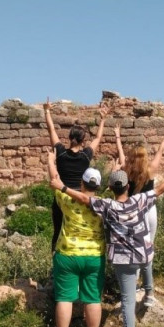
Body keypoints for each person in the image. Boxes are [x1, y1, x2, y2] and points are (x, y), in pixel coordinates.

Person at [50, 161, 164, 327]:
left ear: (110, 188)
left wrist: (62, 187)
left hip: (123, 260)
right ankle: (149, 293)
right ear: (128, 187)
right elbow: (159, 190)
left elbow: (82, 197)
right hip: (142, 254)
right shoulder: (138, 200)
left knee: (128, 301)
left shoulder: (107, 205)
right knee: (142, 267)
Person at [46, 149, 106, 327]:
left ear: (81, 182)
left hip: (67, 254)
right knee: (93, 299)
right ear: (97, 186)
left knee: (64, 298)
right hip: (94, 257)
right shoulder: (104, 205)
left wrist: (50, 161)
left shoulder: (66, 200)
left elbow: (54, 179)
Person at [114, 122, 164, 306]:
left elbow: (120, 154)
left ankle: (133, 286)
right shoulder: (150, 170)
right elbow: (160, 151)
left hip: (133, 213)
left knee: (133, 248)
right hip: (149, 212)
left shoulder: (126, 169)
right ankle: (148, 292)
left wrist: (118, 136)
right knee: (148, 248)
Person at [44, 98, 108, 251]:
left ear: (69, 138)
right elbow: (98, 138)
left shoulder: (60, 153)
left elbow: (51, 130)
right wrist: (103, 119)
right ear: (83, 141)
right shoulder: (86, 155)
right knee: (79, 228)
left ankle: (56, 263)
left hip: (61, 197)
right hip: (80, 197)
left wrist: (47, 111)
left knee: (58, 231)